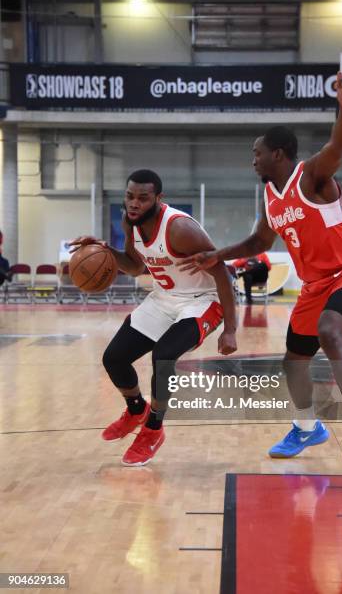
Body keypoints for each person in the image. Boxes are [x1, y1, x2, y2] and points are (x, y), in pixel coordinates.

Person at [177, 64, 342, 471]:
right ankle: (307, 428)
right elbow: (259, 242)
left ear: (278, 154)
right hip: (314, 285)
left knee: (330, 331)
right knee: (294, 361)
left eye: (257, 153)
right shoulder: (271, 198)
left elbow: (337, 149)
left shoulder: (311, 176)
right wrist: (218, 255)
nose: (252, 160)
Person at [70, 169, 237, 467]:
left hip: (202, 301)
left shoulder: (180, 229)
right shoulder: (130, 222)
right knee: (114, 358)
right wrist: (103, 251)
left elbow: (222, 274)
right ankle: (136, 410)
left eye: (143, 198)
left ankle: (154, 428)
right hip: (163, 298)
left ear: (159, 199)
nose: (134, 203)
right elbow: (135, 267)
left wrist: (231, 330)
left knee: (164, 355)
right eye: (130, 196)